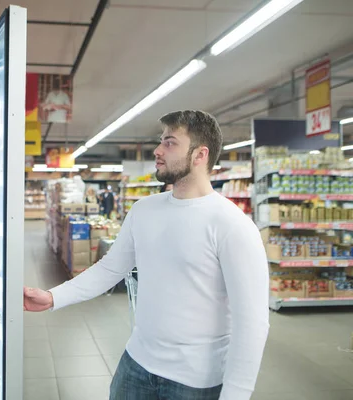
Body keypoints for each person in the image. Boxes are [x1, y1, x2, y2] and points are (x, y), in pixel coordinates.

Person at [24, 110, 269, 400]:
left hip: (196, 381)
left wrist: (235, 395)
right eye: (161, 141)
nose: (157, 150)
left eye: (170, 143)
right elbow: (110, 269)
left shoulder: (232, 225)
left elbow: (251, 322)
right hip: (135, 366)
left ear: (200, 155)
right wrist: (54, 297)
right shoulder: (144, 210)